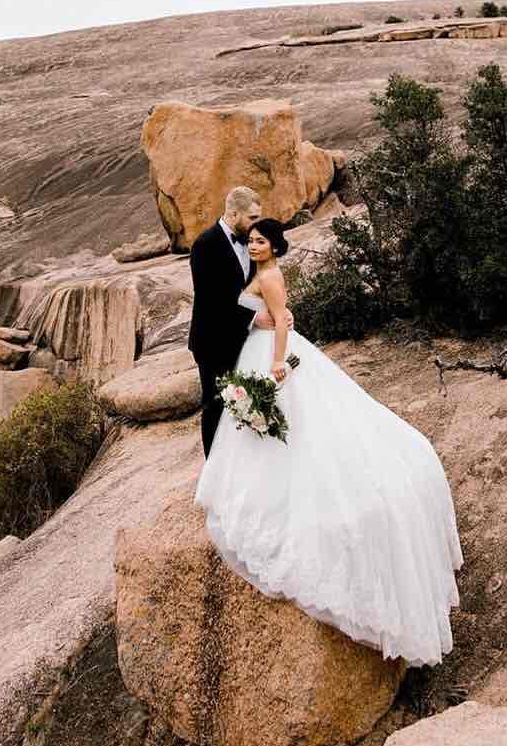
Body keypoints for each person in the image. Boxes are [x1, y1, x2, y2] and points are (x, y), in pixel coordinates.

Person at [194, 217, 464, 668]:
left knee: (300, 427)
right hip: (253, 350)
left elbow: (280, 321)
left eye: (261, 241)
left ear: (273, 246)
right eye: (252, 240)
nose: (255, 246)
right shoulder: (252, 271)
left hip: (272, 356)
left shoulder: (271, 274)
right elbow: (250, 311)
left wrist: (278, 364)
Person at [187, 186, 293, 457]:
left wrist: (280, 310)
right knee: (217, 404)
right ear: (233, 214)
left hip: (247, 341)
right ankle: (215, 471)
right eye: (252, 218)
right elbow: (212, 299)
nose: (257, 225)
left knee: (249, 401)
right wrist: (255, 317)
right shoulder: (205, 245)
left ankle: (248, 464)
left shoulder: (251, 240)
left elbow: (260, 284)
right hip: (214, 340)